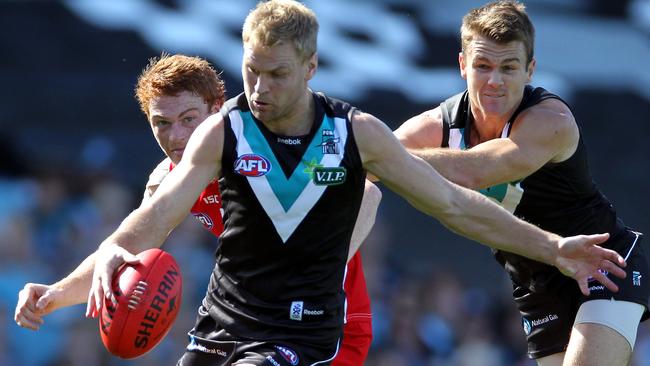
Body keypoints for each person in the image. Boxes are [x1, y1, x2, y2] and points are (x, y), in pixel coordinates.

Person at [17, 1, 626, 365]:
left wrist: (550, 246)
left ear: (310, 68)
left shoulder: (355, 135)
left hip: (310, 326)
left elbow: (454, 201)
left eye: (276, 75)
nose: (259, 90)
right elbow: (150, 221)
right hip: (224, 324)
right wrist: (60, 289)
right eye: (251, 72)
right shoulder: (222, 135)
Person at [14, 53, 379, 365]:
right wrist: (54, 296)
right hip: (241, 319)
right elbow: (129, 242)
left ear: (217, 110)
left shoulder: (265, 147)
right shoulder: (169, 178)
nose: (176, 137)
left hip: (322, 322)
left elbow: (366, 194)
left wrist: (308, 274)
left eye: (189, 119)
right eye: (162, 123)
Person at [394, 1, 649, 365]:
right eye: (482, 66)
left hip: (599, 263)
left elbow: (475, 170)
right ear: (463, 65)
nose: (495, 81)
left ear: (530, 70)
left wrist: (388, 157)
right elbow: (364, 167)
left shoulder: (551, 120)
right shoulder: (438, 125)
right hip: (535, 282)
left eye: (509, 67)